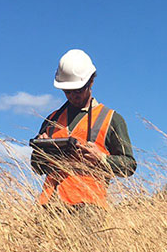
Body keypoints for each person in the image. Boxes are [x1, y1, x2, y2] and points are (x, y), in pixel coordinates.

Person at [31, 49, 136, 210]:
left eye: (78, 90)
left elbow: (129, 166)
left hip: (89, 208)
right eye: (67, 91)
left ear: (91, 81)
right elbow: (37, 167)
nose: (73, 95)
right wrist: (41, 152)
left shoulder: (111, 119)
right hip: (49, 207)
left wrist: (102, 159)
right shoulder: (52, 119)